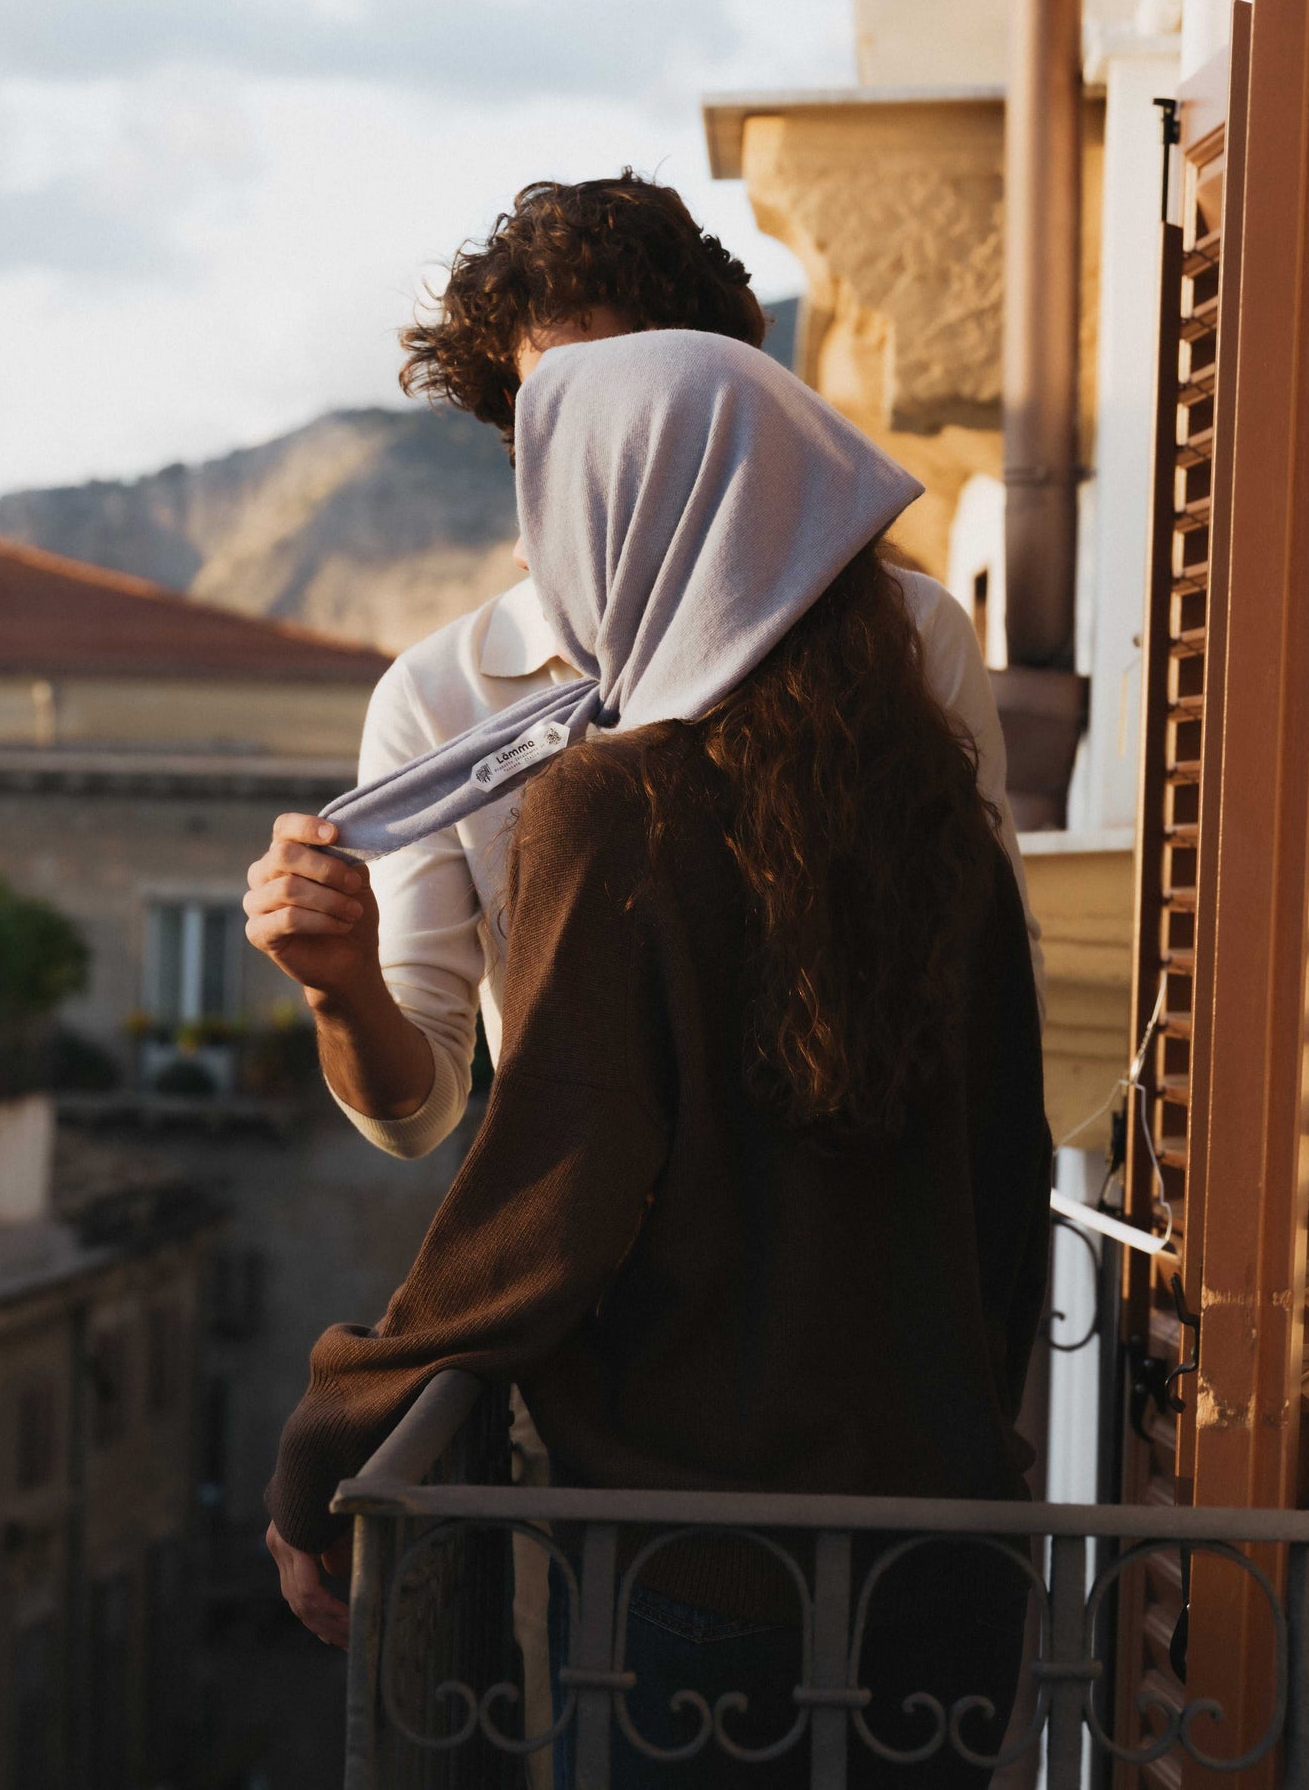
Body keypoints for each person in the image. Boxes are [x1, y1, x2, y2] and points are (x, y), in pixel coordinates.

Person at [263, 332, 1052, 1787]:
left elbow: (549, 1185)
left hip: (705, 1581)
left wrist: (338, 1417)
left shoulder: (607, 808)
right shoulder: (940, 810)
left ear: (636, 530)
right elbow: (1012, 1183)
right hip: (946, 1568)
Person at [242, 173, 1043, 1171]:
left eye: (630, 389)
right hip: (600, 1269)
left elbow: (996, 990)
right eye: (555, 405)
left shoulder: (907, 636)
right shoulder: (445, 697)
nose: (593, 430)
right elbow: (417, 1113)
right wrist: (341, 988)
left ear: (718, 404)